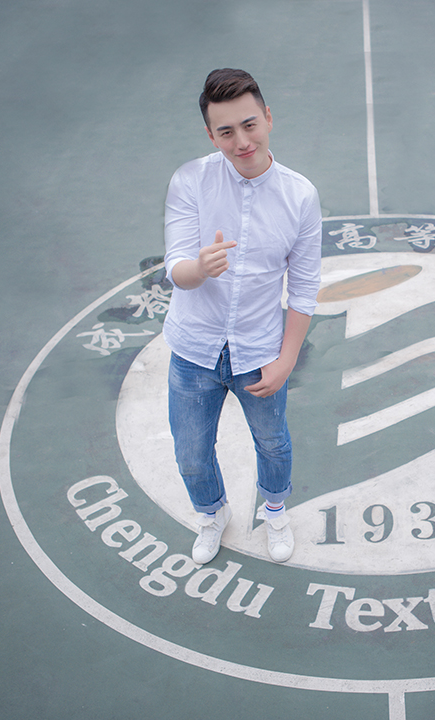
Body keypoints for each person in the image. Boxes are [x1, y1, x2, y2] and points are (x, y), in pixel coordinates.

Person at [162, 68, 322, 565]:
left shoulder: (300, 195)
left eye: (250, 125)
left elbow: (305, 289)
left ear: (268, 118)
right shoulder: (190, 181)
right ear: (211, 135)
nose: (242, 141)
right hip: (194, 348)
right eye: (226, 131)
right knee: (191, 452)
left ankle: (275, 511)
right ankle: (213, 513)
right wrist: (199, 269)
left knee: (273, 444)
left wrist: (286, 360)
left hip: (259, 350)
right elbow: (176, 268)